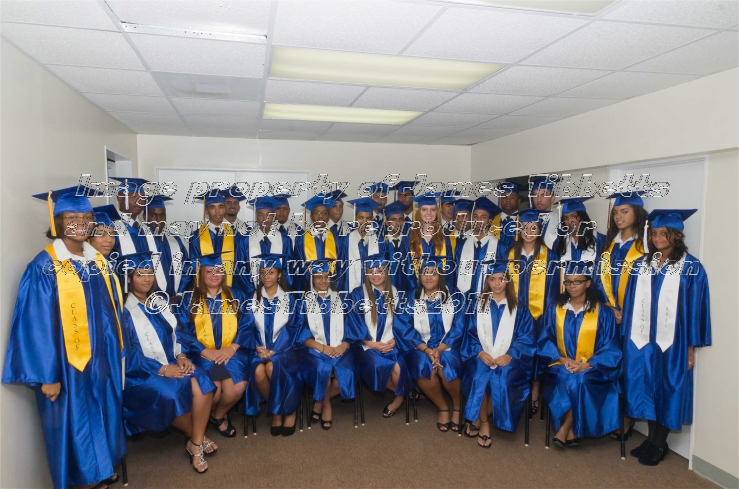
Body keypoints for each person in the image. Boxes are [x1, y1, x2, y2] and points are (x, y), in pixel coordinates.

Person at [4, 186, 126, 489]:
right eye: (72, 218)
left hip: (100, 361)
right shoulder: (44, 266)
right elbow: (36, 325)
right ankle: (84, 479)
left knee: (103, 410)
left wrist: (115, 353)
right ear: (57, 222)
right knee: (75, 422)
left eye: (86, 217)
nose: (80, 223)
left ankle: (102, 470)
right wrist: (48, 376)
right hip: (67, 366)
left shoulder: (97, 261)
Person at [619, 209, 711, 466]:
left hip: (673, 342)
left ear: (676, 235)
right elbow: (630, 304)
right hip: (642, 341)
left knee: (667, 388)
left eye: (664, 233)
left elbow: (695, 309)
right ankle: (651, 440)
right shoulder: (641, 264)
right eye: (655, 233)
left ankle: (659, 443)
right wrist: (627, 339)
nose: (658, 238)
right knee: (646, 386)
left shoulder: (691, 267)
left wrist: (691, 347)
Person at [120, 252, 217, 474]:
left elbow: (179, 332)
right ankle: (197, 438)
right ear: (128, 279)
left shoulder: (160, 302)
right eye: (140, 274)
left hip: (172, 361)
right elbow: (127, 354)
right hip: (140, 374)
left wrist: (181, 357)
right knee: (171, 395)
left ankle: (195, 443)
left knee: (202, 382)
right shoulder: (122, 311)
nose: (147, 279)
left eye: (150, 273)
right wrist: (163, 369)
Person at [538, 260, 622, 448]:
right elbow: (544, 339)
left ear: (588, 283)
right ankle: (573, 430)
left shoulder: (603, 312)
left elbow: (611, 346)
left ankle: (565, 429)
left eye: (577, 281)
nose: (572, 286)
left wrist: (586, 364)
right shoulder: (555, 308)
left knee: (581, 379)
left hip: (592, 368)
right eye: (568, 282)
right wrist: (562, 359)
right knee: (570, 377)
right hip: (560, 365)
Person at [176, 251, 254, 439]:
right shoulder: (189, 299)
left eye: (218, 270)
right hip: (201, 353)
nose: (214, 275)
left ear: (223, 274)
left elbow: (247, 324)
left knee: (237, 387)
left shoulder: (237, 296)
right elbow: (182, 331)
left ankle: (217, 415)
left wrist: (232, 348)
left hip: (232, 352)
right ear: (201, 274)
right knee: (215, 392)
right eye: (209, 271)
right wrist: (204, 350)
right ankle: (208, 416)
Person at [460, 260, 536, 447]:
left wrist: (511, 354)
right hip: (481, 355)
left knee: (503, 378)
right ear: (487, 281)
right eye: (492, 279)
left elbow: (526, 337)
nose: (497, 283)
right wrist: (479, 352)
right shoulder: (477, 305)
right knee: (477, 376)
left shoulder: (520, 307)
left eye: (501, 279)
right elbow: (469, 333)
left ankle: (478, 417)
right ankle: (484, 423)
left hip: (510, 358)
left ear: (508, 280)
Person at [394, 257, 465, 433]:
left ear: (440, 275)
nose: (428, 277)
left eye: (433, 273)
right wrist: (426, 350)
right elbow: (403, 327)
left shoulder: (455, 295)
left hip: (448, 345)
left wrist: (439, 349)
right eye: (424, 273)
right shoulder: (410, 297)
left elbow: (460, 326)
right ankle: (443, 407)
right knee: (422, 365)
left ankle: (457, 406)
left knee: (447, 364)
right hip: (420, 346)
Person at [505, 209, 560, 415]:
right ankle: (517, 392)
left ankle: (535, 393)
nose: (529, 232)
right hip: (514, 315)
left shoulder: (550, 255)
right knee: (515, 349)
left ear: (539, 230)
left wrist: (547, 316)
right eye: (525, 227)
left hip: (540, 315)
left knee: (536, 351)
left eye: (533, 228)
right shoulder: (509, 253)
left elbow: (554, 289)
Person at [244, 254, 304, 436]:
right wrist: (257, 347)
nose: (266, 276)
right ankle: (279, 409)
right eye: (263, 272)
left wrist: (274, 351)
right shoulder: (252, 299)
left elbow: (295, 328)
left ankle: (288, 410)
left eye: (271, 272)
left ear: (279, 274)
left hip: (285, 348)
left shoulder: (290, 299)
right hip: (258, 349)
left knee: (272, 367)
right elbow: (246, 327)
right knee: (257, 371)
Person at [346, 253, 413, 417]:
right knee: (377, 366)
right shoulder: (357, 294)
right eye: (371, 271)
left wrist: (395, 340)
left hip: (391, 342)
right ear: (366, 273)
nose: (375, 275)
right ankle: (406, 392)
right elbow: (354, 322)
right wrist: (371, 343)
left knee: (398, 367)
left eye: (380, 270)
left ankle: (398, 399)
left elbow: (403, 321)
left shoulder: (395, 293)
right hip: (366, 345)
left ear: (386, 272)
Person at [297, 260, 357, 430]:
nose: (323, 280)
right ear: (312, 279)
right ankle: (327, 406)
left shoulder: (342, 299)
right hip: (314, 349)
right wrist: (322, 348)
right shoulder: (303, 302)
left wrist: (344, 346)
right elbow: (299, 333)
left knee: (348, 372)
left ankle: (319, 402)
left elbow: (352, 327)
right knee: (321, 370)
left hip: (340, 348)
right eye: (318, 277)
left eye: (326, 276)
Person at [597, 191, 649, 323]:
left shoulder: (646, 245)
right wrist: (609, 306)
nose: (618, 216)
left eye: (624, 211)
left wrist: (629, 309)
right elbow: (599, 277)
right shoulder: (609, 244)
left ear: (637, 213)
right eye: (615, 212)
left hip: (637, 313)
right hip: (609, 312)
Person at [110, 177, 167, 290]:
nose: (139, 201)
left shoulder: (147, 230)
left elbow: (159, 264)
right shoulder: (111, 228)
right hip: (123, 291)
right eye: (133, 196)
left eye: (143, 197)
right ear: (120, 198)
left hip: (150, 291)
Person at [186, 190, 242, 294]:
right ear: (206, 211)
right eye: (212, 207)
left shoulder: (235, 235)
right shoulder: (196, 236)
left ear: (224, 209)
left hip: (231, 291)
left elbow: (239, 266)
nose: (217, 211)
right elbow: (194, 267)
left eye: (220, 207)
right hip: (205, 292)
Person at [454, 197, 509, 296]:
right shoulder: (460, 246)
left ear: (490, 221)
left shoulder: (500, 247)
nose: (478, 220)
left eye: (483, 217)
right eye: (475, 216)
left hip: (489, 300)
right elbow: (456, 275)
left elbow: (503, 278)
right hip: (464, 300)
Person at [551, 197, 606, 287]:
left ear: (583, 216)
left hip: (594, 291)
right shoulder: (560, 242)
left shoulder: (600, 240)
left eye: (574, 216)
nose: (569, 222)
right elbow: (555, 272)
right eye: (566, 218)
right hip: (566, 292)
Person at [145, 195, 190, 298]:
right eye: (153, 215)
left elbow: (187, 268)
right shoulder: (142, 241)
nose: (158, 219)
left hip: (177, 299)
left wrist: (179, 294)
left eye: (162, 215)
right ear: (145, 216)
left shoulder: (175, 240)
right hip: (152, 300)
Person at [291, 194, 339, 291]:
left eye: (325, 213)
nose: (320, 216)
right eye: (316, 213)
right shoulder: (301, 239)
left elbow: (340, 267)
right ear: (311, 217)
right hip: (308, 289)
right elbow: (299, 267)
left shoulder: (336, 239)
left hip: (331, 289)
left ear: (328, 217)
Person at [246, 196, 293, 291]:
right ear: (256, 217)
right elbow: (241, 271)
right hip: (252, 293)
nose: (265, 218)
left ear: (273, 216)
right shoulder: (244, 241)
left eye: (269, 214)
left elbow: (288, 270)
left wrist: (282, 292)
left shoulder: (285, 240)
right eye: (260, 214)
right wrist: (253, 294)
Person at [339, 197, 385, 292]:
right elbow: (341, 270)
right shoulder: (345, 241)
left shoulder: (380, 241)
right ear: (355, 218)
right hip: (351, 291)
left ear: (372, 219)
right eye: (361, 218)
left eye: (368, 218)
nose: (364, 222)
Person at [408, 193, 456, 278]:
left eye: (433, 209)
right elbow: (407, 269)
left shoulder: (445, 236)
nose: (429, 213)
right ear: (419, 212)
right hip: (416, 285)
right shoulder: (410, 237)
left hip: (441, 284)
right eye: (424, 209)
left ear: (437, 212)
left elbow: (449, 267)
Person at [381, 200, 415, 294]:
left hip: (410, 291)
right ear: (386, 223)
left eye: (401, 219)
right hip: (387, 292)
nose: (398, 223)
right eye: (393, 219)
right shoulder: (380, 244)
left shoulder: (411, 242)